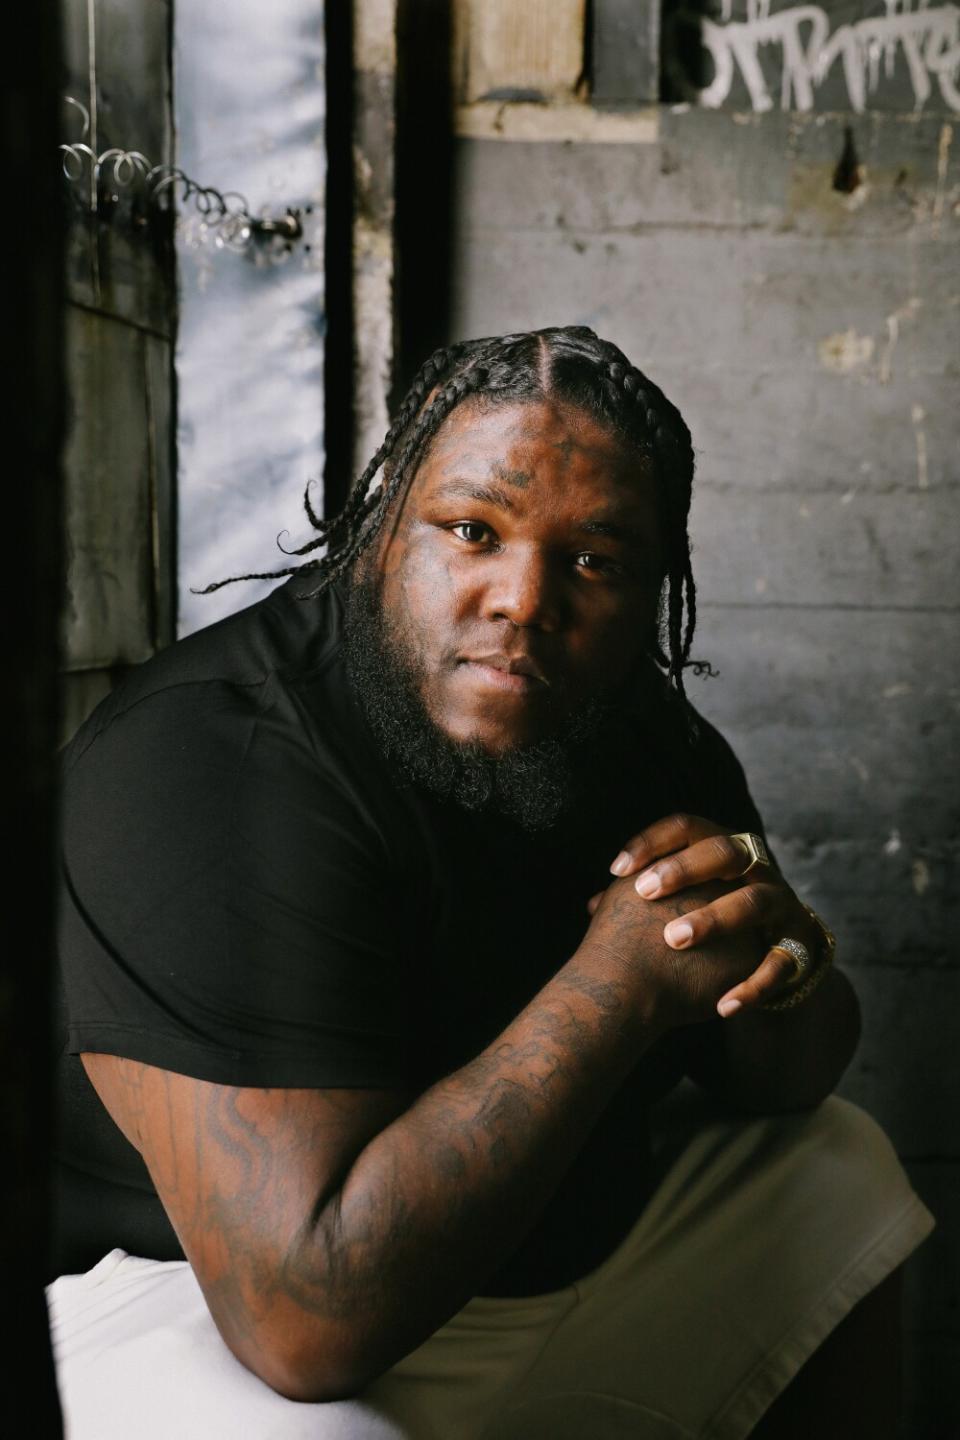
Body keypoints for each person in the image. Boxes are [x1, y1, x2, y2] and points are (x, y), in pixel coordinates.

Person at [49, 327, 932, 1439]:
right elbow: (303, 1323)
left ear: (651, 592)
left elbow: (784, 1083)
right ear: (378, 534)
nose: (526, 598)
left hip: (516, 1267)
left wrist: (776, 948)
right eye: (472, 530)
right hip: (181, 1310)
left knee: (834, 1170)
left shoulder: (629, 726)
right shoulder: (207, 763)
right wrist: (621, 981)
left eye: (595, 560)